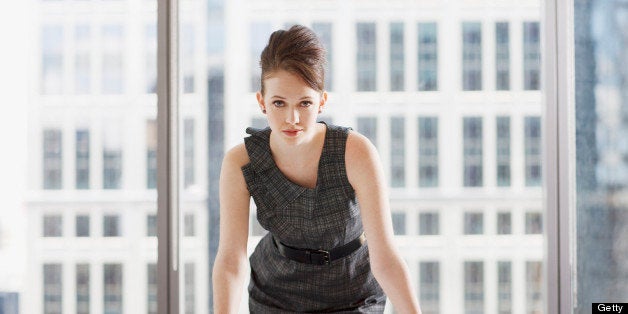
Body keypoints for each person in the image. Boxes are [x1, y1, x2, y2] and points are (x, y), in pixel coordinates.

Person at [213, 24, 421, 313]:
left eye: (305, 103)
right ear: (262, 102)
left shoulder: (356, 152)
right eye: (279, 103)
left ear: (322, 101)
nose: (292, 118)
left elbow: (385, 256)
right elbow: (230, 259)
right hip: (276, 293)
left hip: (353, 292)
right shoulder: (242, 162)